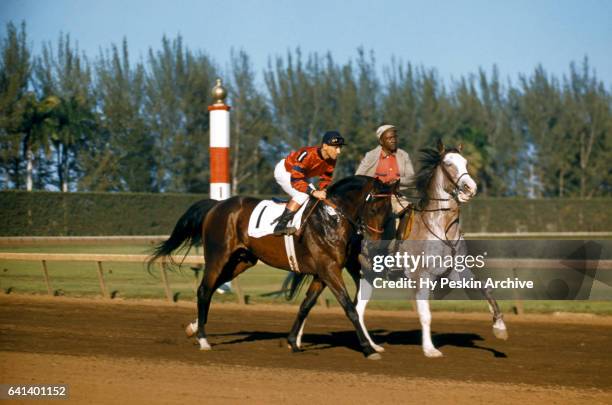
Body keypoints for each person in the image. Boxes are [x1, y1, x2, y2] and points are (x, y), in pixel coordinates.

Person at [272, 131, 346, 236]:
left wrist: (322, 189)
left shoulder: (332, 159)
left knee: (317, 196)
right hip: (285, 171)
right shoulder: (307, 154)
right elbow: (296, 180)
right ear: (325, 146)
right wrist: (313, 192)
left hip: (300, 176)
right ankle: (280, 226)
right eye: (335, 147)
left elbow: (326, 177)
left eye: (340, 148)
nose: (338, 151)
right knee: (304, 194)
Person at [356, 124, 414, 237]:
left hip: (397, 196)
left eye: (394, 138)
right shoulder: (371, 156)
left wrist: (398, 181)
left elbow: (412, 178)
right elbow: (358, 177)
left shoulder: (403, 155)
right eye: (389, 138)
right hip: (375, 198)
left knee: (414, 212)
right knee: (387, 215)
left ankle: (402, 244)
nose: (393, 141)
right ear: (381, 141)